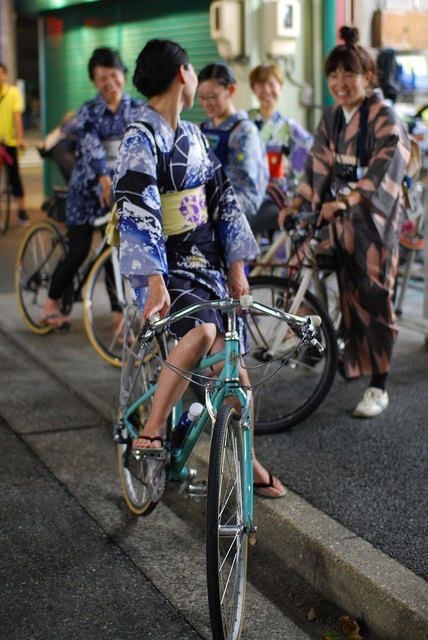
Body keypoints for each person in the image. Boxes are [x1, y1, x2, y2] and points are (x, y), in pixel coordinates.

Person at [114, 38, 285, 499]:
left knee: (236, 371)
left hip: (207, 261)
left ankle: (245, 461)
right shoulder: (140, 137)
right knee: (202, 334)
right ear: (182, 75)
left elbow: (222, 200)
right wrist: (151, 280)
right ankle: (150, 432)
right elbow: (136, 209)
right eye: (193, 74)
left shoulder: (192, 137)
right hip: (166, 268)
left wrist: (236, 264)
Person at [279, 26, 410, 418]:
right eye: (333, 75)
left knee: (371, 295)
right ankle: (325, 347)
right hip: (336, 214)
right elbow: (317, 164)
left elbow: (390, 162)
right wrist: (298, 200)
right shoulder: (333, 117)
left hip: (373, 220)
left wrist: (352, 197)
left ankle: (379, 384)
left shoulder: (384, 116)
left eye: (348, 74)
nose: (339, 83)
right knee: (303, 261)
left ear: (368, 77)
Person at [40, 47, 144, 329]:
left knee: (116, 251)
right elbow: (90, 144)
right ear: (94, 82)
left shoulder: (137, 109)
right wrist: (102, 176)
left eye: (114, 75)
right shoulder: (88, 111)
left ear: (123, 74)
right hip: (86, 191)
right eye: (101, 78)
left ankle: (118, 317)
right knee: (79, 249)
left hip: (120, 190)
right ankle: (51, 302)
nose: (109, 83)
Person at [197, 62, 269, 223]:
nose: (207, 103)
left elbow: (250, 193)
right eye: (202, 97)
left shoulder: (244, 132)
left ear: (231, 90)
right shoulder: (201, 129)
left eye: (213, 96)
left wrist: (214, 209)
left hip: (231, 217)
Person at [248, 63, 313, 236]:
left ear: (280, 87)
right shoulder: (244, 123)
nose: (266, 90)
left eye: (271, 84)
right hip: (247, 199)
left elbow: (308, 162)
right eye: (260, 85)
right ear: (253, 88)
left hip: (277, 201)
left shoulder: (289, 128)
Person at [0, 62, 30, 226]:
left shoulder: (13, 93)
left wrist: (20, 138)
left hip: (10, 143)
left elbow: (17, 116)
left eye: (0, 74)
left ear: (5, 75)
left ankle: (22, 210)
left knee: (14, 177)